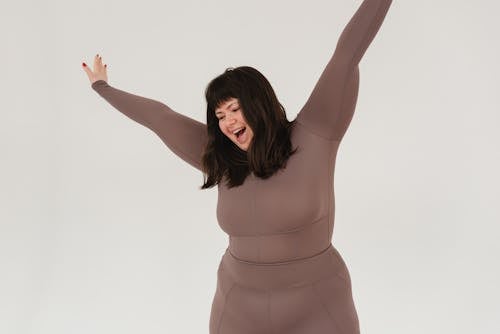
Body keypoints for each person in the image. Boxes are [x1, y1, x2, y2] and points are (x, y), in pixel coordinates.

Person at [82, 0, 393, 332]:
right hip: (238, 308)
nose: (227, 123)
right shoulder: (221, 157)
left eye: (233, 109)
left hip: (318, 304)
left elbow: (346, 56)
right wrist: (102, 87)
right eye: (219, 116)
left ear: (258, 104)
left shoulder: (316, 133)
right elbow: (161, 118)